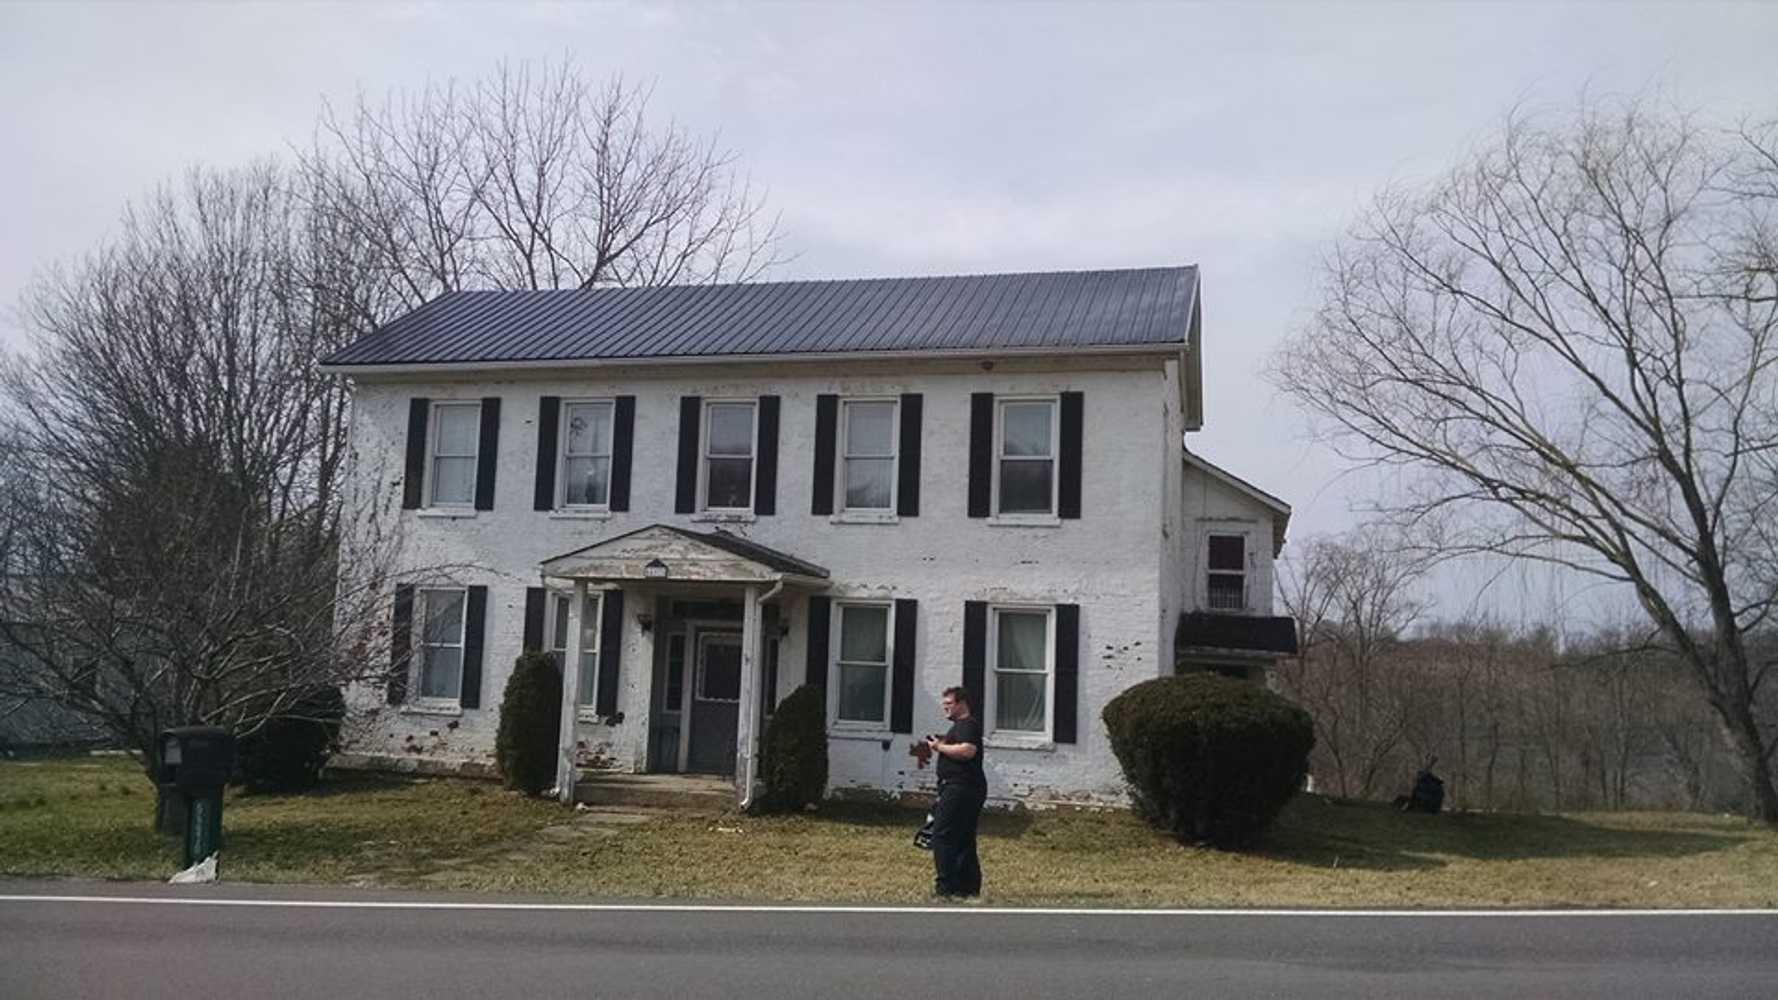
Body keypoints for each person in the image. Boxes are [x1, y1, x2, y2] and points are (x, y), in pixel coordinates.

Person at [925, 685, 986, 898]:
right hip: (966, 787)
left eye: (949, 704)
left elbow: (968, 751)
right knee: (963, 838)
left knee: (942, 835)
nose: (946, 709)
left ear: (961, 703)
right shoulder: (962, 726)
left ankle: (945, 887)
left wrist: (939, 747)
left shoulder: (966, 724)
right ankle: (967, 888)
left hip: (960, 788)